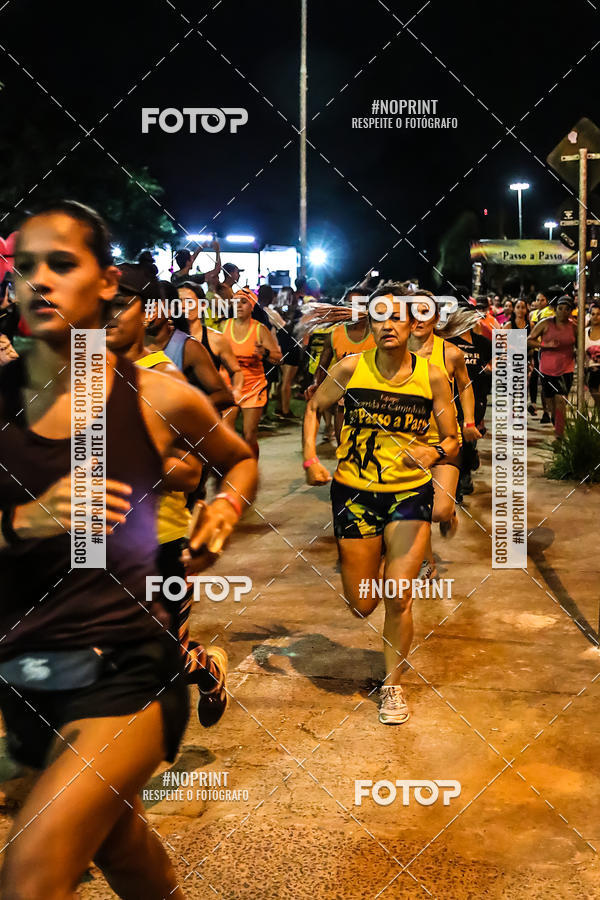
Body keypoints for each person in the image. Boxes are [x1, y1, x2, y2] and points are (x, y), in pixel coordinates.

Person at [0, 200, 258, 898]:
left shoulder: (155, 395)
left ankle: (194, 670)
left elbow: (237, 459)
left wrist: (223, 509)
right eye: (25, 269)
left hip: (127, 665)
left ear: (108, 281)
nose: (39, 283)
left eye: (61, 264)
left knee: (31, 874)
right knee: (121, 847)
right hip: (23, 671)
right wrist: (23, 522)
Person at [302, 284, 459, 725]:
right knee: (361, 603)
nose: (387, 325)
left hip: (409, 493)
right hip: (353, 492)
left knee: (398, 595)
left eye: (396, 317)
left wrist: (434, 452)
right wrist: (312, 459)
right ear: (369, 325)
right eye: (378, 317)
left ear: (412, 325)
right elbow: (313, 407)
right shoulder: (351, 368)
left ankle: (392, 685)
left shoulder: (431, 376)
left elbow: (452, 437)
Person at [107, 264, 235, 727]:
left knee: (160, 656)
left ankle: (207, 669)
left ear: (146, 313)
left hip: (156, 540)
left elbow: (190, 472)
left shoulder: (163, 377)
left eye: (122, 303)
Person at [408, 295, 480, 572]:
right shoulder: (394, 353)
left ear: (436, 318)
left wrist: (469, 420)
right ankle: (427, 559)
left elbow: (464, 386)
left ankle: (448, 511)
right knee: (417, 507)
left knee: (438, 511)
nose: (417, 318)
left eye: (424, 312)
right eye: (412, 312)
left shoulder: (450, 354)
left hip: (445, 442)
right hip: (409, 444)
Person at [145, 288, 235, 412]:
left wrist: (184, 411)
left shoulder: (189, 346)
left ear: (170, 310)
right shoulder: (129, 343)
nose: (184, 306)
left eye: (189, 302)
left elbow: (225, 394)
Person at [221, 288, 282, 455]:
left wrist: (265, 353)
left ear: (252, 306)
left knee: (249, 435)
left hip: (253, 387)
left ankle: (250, 467)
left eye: (244, 302)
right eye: (235, 302)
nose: (239, 306)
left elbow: (278, 357)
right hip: (229, 386)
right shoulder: (223, 326)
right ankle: (231, 469)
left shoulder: (260, 329)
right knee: (226, 432)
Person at [177, 281, 244, 409]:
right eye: (179, 301)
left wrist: (237, 391)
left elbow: (236, 371)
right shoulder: (167, 338)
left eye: (189, 301)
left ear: (202, 305)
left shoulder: (215, 339)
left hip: (209, 410)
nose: (184, 306)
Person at [529, 295, 576, 436]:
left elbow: (581, 346)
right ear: (556, 309)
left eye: (567, 309)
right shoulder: (545, 323)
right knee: (551, 404)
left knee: (561, 400)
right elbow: (528, 340)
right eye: (560, 308)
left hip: (566, 369)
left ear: (570, 311)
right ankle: (557, 423)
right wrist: (545, 345)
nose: (563, 312)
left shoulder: (574, 327)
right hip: (547, 369)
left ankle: (559, 435)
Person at [585, 302, 600, 407]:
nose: (595, 317)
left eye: (598, 314)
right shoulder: (584, 332)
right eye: (593, 314)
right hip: (590, 371)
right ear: (589, 315)